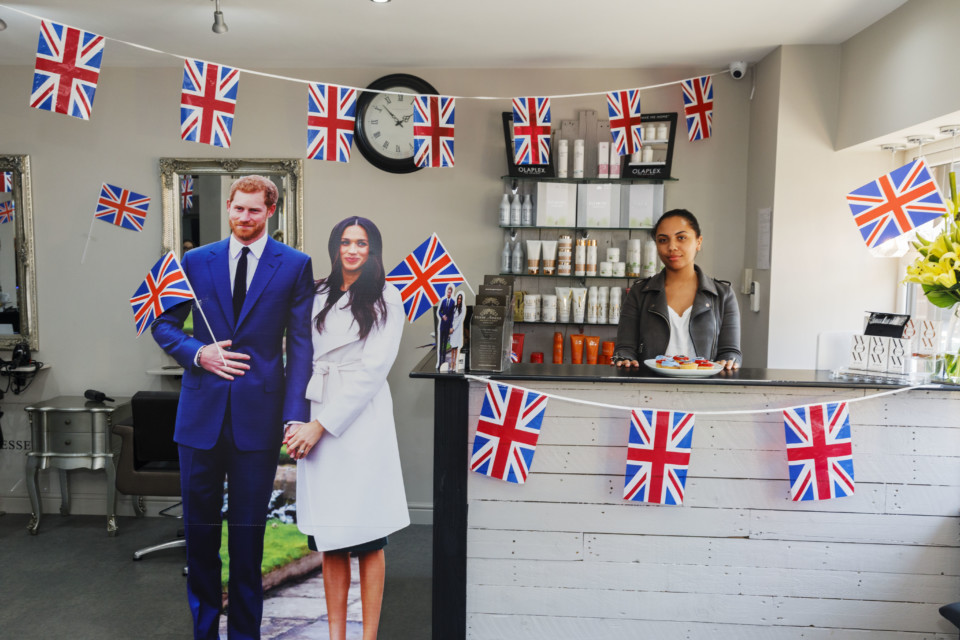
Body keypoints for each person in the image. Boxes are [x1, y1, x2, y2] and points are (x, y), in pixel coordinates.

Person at [152, 175, 314, 640]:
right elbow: (163, 325)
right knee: (200, 537)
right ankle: (204, 631)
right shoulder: (195, 261)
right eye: (238, 208)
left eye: (254, 210)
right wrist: (197, 352)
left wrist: (295, 414)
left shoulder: (295, 265)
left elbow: (300, 344)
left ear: (270, 211)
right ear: (228, 205)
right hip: (199, 418)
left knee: (248, 540)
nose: (245, 217)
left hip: (258, 421)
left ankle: (246, 634)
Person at [284, 216, 408, 640]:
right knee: (330, 535)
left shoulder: (387, 295)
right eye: (346, 241)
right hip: (317, 403)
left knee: (369, 534)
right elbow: (299, 354)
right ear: (335, 246)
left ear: (373, 250)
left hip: (361, 420)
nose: (353, 250)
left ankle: (368, 635)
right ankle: (337, 634)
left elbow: (373, 371)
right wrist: (297, 419)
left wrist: (320, 426)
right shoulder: (316, 292)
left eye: (362, 243)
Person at [613, 208, 741, 369]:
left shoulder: (722, 295)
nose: (672, 246)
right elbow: (625, 348)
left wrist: (729, 361)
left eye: (681, 238)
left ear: (698, 242)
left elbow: (730, 351)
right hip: (649, 382)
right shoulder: (639, 293)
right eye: (663, 240)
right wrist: (625, 359)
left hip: (705, 383)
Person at [436, 284, 455, 367]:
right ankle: (440, 359)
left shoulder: (453, 302)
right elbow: (439, 311)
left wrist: (451, 326)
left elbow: (452, 315)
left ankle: (444, 360)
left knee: (445, 342)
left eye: (450, 292)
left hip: (448, 325)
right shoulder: (443, 301)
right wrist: (442, 316)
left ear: (451, 293)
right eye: (448, 292)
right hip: (442, 325)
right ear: (446, 292)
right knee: (441, 342)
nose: (449, 293)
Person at [448, 291, 465, 370]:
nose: (459, 300)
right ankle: (452, 363)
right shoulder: (454, 307)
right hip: (452, 329)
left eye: (460, 299)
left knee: (456, 347)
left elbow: (458, 320)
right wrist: (450, 327)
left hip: (457, 329)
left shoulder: (462, 309)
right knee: (452, 346)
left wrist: (453, 328)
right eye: (458, 298)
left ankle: (455, 363)